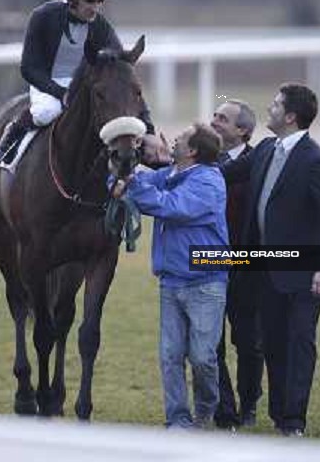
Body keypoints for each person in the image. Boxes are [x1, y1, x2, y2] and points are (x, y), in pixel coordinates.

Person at [221, 83, 320, 436]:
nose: (270, 108)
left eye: (276, 104)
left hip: (305, 274)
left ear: (291, 116)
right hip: (264, 270)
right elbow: (223, 173)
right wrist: (170, 164)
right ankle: (280, 415)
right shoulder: (264, 149)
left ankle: (293, 422)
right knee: (274, 344)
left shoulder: (316, 161)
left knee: (299, 344)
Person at [114, 123, 229, 429]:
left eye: (180, 138)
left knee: (202, 357)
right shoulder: (172, 174)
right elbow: (134, 180)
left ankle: (205, 410)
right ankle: (178, 420)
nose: (172, 140)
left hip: (205, 282)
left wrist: (132, 185)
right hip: (171, 280)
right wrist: (121, 169)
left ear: (192, 151)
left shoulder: (208, 181)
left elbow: (172, 206)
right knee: (170, 356)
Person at [0, 0, 154, 165]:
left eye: (100, 1)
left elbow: (123, 73)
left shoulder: (100, 26)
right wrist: (61, 93)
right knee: (46, 112)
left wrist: (148, 127)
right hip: (47, 82)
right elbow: (29, 68)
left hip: (83, 84)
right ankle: (17, 130)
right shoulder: (43, 17)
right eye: (90, 1)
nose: (95, 8)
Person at [210, 100, 264, 430]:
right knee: (209, 343)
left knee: (247, 343)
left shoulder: (260, 161)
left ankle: (249, 404)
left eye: (222, 119)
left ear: (242, 131)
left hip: (247, 266)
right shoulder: (204, 161)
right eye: (214, 116)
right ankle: (225, 411)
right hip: (209, 265)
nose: (214, 121)